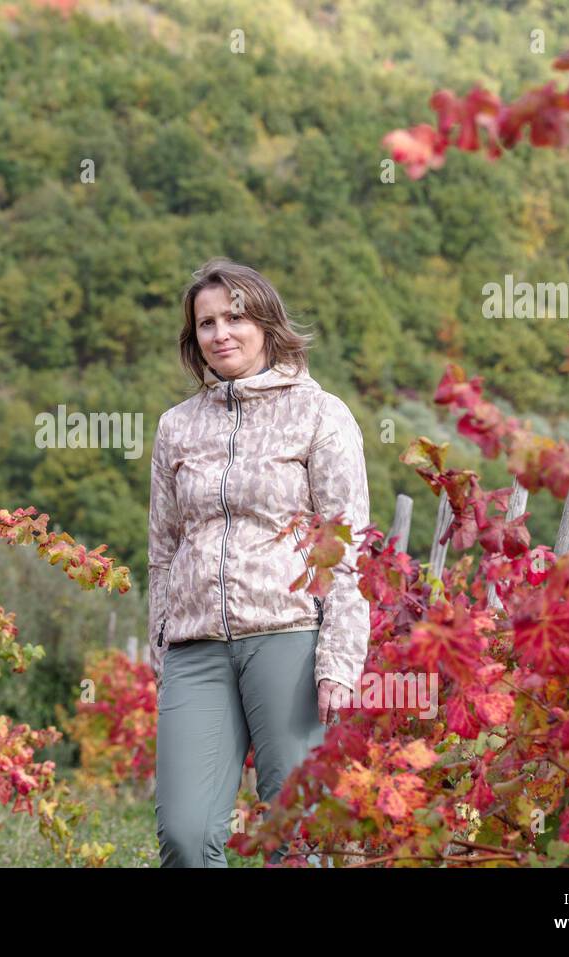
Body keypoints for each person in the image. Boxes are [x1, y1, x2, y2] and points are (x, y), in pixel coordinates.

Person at [150, 258, 371, 867]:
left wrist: (340, 661)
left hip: (289, 637)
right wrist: (160, 642)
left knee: (294, 837)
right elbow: (163, 550)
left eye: (235, 317)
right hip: (196, 648)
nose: (221, 333)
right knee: (185, 836)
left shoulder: (321, 415)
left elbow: (347, 547)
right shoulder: (176, 428)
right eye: (206, 323)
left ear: (267, 322)